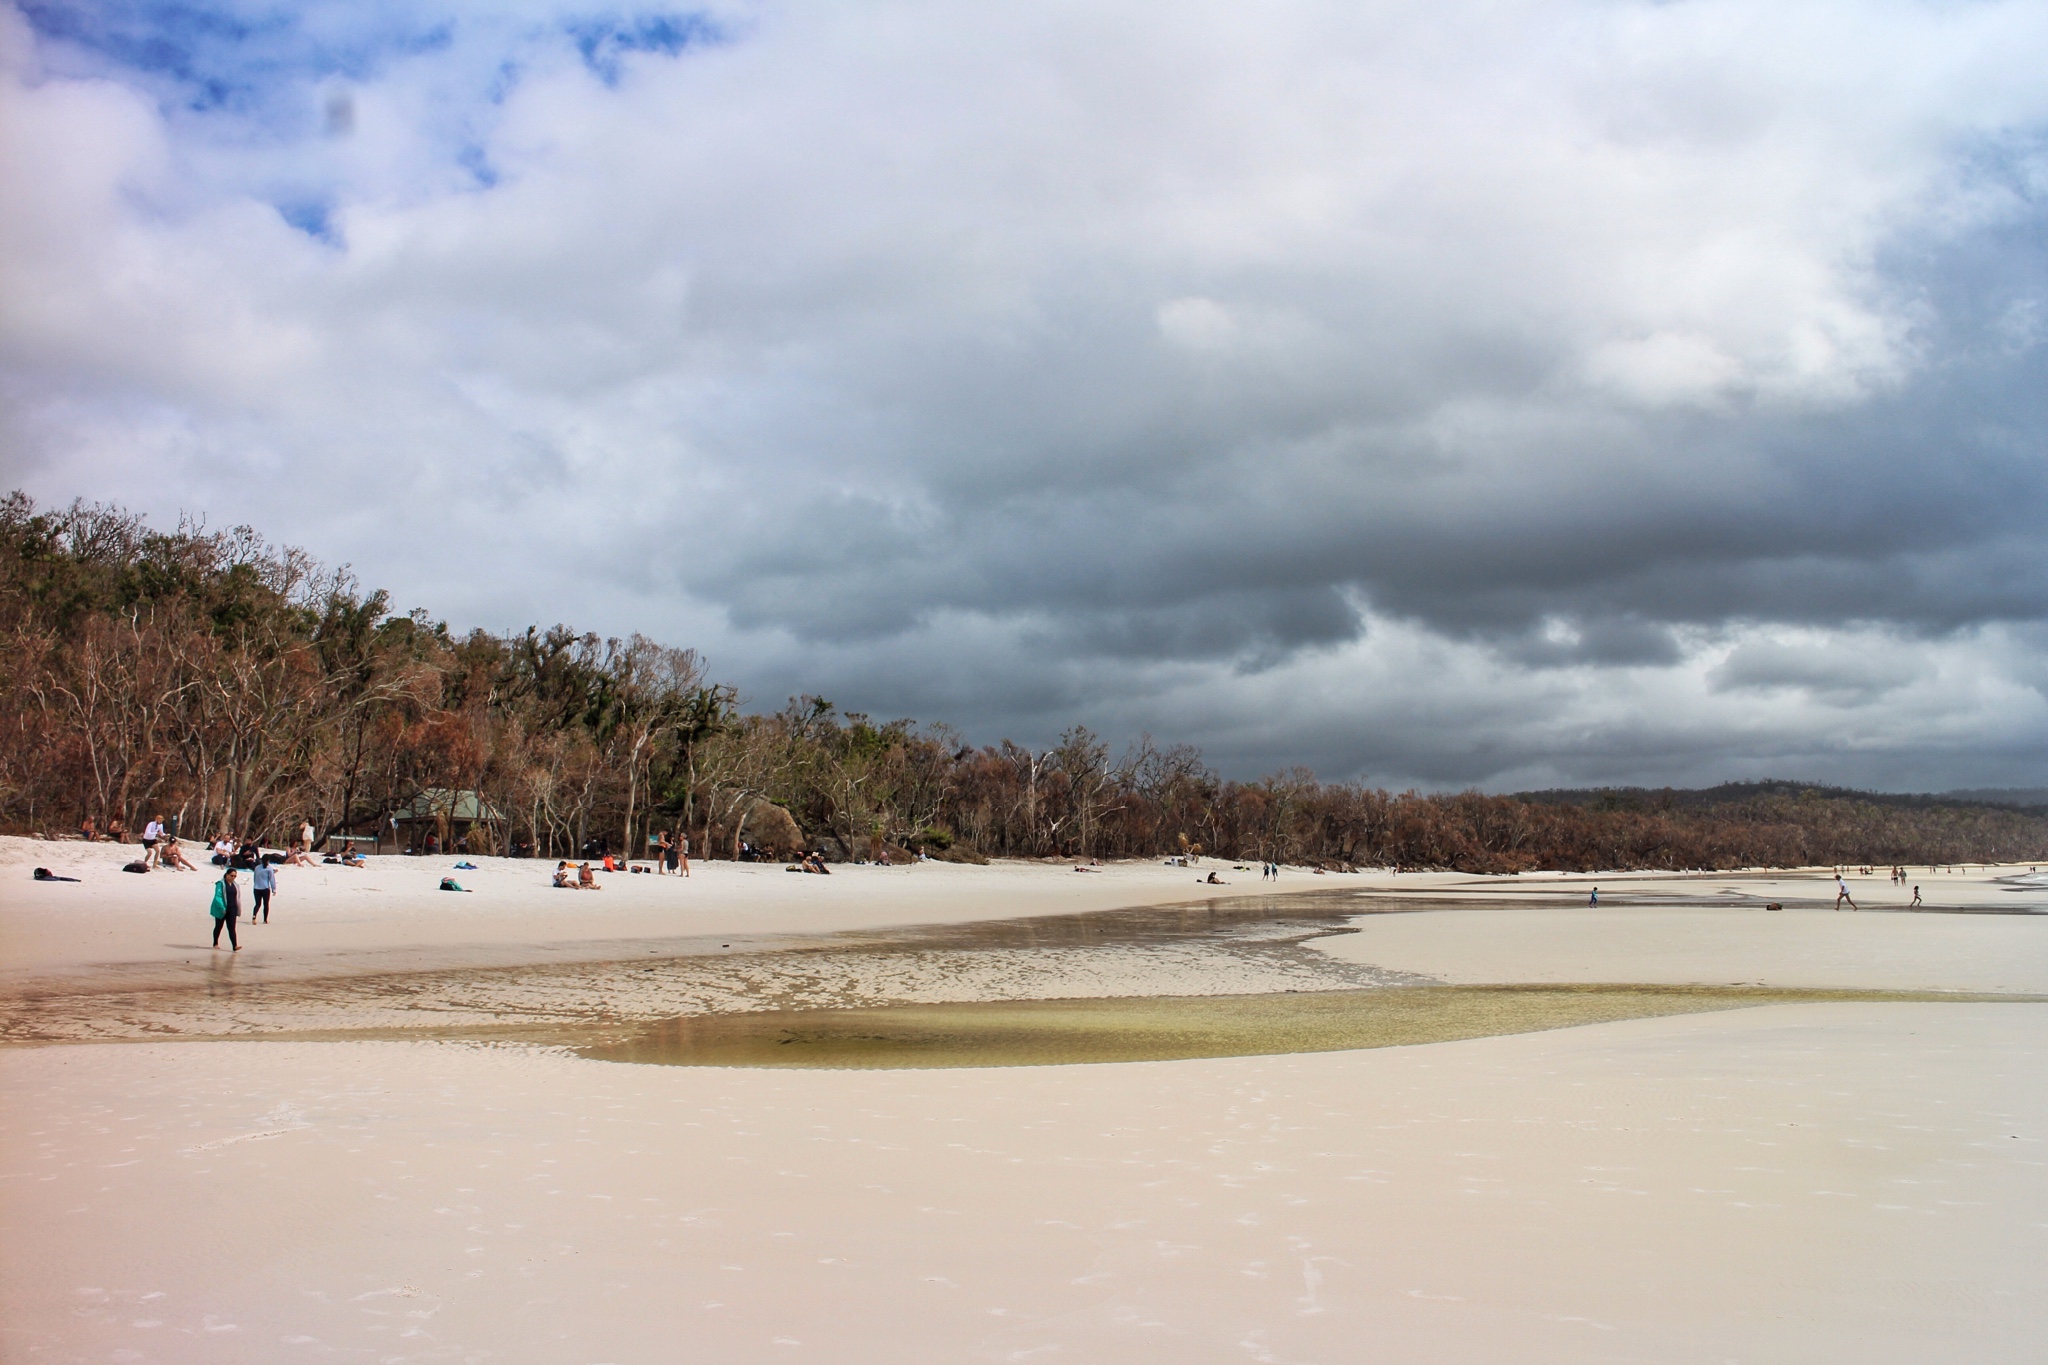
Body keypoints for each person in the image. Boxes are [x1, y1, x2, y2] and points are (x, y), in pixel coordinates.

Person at [211, 867, 242, 950]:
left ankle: (235, 946)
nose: (233, 877)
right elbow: (218, 896)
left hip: (232, 909)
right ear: (227, 875)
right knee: (218, 926)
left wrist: (238, 909)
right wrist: (222, 908)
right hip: (222, 909)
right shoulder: (220, 884)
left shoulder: (235, 885)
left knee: (232, 928)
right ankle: (215, 943)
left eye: (235, 876)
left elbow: (238, 898)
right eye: (232, 875)